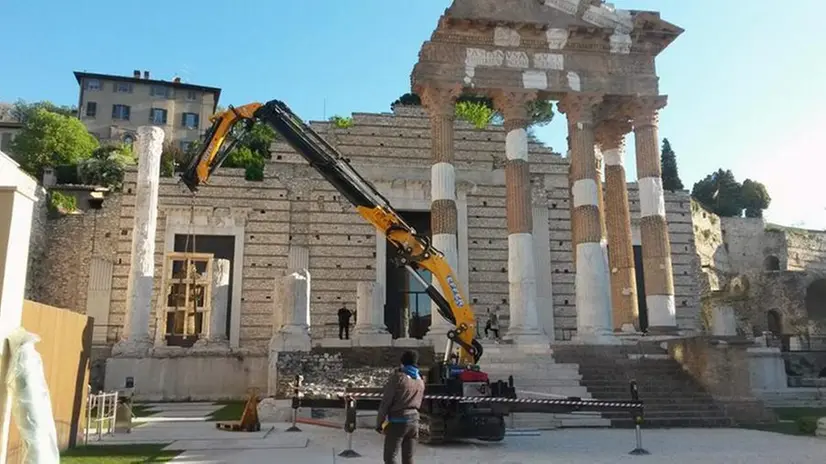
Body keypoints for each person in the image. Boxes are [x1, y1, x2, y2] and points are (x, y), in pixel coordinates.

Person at [376, 350, 425, 464]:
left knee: (390, 457)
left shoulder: (398, 378)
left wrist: (379, 423)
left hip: (398, 421)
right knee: (408, 458)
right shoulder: (420, 380)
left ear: (403, 363)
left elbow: (386, 402)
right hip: (414, 422)